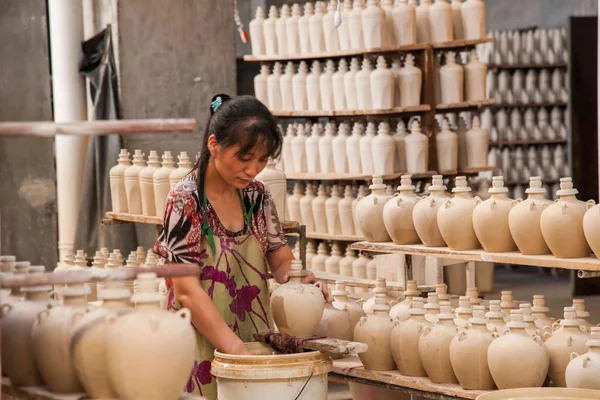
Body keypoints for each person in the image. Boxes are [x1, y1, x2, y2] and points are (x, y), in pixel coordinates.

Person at [153, 94, 327, 399]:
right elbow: (185, 290)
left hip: (251, 335)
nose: (253, 169)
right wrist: (233, 350)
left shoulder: (256, 197)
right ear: (214, 145)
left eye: (262, 160)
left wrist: (302, 282)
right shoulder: (185, 200)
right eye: (244, 158)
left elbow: (280, 259)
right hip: (197, 341)